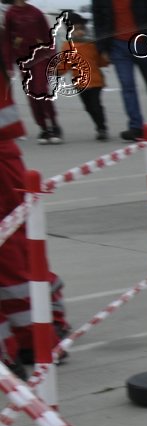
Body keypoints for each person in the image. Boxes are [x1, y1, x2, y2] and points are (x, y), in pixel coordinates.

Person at [0, 32, 69, 376]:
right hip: (6, 156)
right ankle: (40, 332)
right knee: (20, 248)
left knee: (16, 251)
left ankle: (23, 343)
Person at [89, 0, 147, 140]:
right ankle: (135, 127)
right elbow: (99, 21)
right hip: (118, 47)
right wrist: (103, 48)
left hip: (144, 43)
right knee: (127, 86)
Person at [6, 0, 60, 144]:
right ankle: (43, 128)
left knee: (40, 90)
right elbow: (7, 41)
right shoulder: (10, 14)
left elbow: (49, 36)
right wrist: (9, 65)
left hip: (40, 57)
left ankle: (54, 125)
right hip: (23, 59)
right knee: (31, 95)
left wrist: (52, 55)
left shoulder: (36, 13)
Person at [62, 13, 109, 141]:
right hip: (80, 83)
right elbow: (64, 64)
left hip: (95, 82)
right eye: (76, 30)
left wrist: (106, 59)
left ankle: (102, 128)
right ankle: (99, 126)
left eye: (81, 29)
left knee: (95, 105)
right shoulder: (67, 46)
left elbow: (100, 62)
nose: (80, 32)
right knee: (88, 107)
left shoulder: (92, 44)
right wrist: (56, 72)